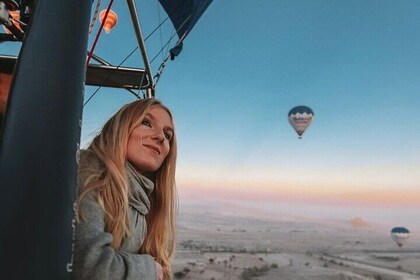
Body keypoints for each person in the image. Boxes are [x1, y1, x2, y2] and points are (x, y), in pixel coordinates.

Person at [72, 98, 177, 280]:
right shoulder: (89, 171)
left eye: (168, 136)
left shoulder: (143, 201)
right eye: (146, 122)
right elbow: (88, 266)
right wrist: (149, 269)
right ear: (120, 129)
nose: (160, 137)